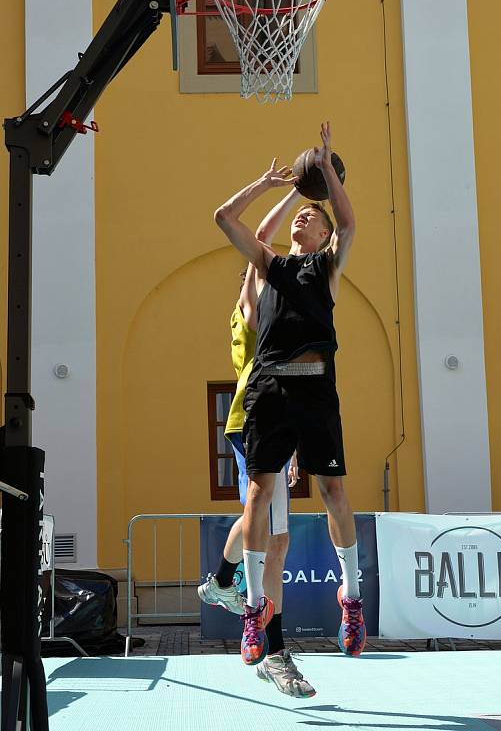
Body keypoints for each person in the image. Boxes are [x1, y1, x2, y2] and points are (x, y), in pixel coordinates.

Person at [214, 121, 366, 668]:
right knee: (257, 498)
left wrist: (325, 168)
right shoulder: (268, 266)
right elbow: (224, 219)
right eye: (304, 212)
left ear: (324, 233)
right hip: (268, 391)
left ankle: (350, 595)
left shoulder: (326, 267)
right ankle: (253, 610)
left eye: (313, 214)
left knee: (334, 493)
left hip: (316, 389)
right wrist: (268, 186)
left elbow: (349, 221)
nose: (306, 215)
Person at [199, 189, 316, 697]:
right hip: (253, 418)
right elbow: (261, 239)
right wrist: (288, 190)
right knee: (273, 537)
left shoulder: (280, 317)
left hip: (271, 420)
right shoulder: (252, 305)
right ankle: (274, 650)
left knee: (270, 530)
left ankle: (222, 582)